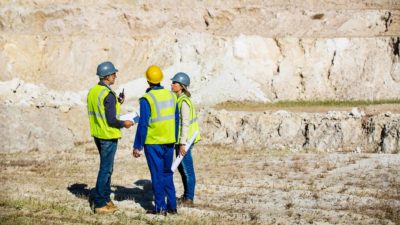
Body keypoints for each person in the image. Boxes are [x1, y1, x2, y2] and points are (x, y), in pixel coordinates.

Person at [87, 61, 134, 214]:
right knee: (106, 170)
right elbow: (112, 120)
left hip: (98, 134)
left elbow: (103, 109)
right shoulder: (108, 94)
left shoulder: (94, 91)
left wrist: (118, 102)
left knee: (107, 168)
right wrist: (125, 123)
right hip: (107, 136)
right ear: (107, 76)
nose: (115, 76)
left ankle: (106, 198)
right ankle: (100, 203)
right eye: (114, 73)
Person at [132, 65, 178, 215]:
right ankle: (172, 207)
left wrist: (137, 145)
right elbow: (176, 119)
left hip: (153, 142)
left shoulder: (147, 99)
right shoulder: (171, 95)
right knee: (167, 173)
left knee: (157, 175)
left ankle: (160, 208)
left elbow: (143, 124)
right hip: (169, 141)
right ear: (161, 79)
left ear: (148, 80)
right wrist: (176, 138)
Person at [170, 72, 201, 207]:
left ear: (181, 86)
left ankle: (189, 199)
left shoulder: (183, 102)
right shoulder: (178, 99)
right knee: (182, 169)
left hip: (186, 142)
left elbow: (185, 124)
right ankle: (186, 196)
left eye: (174, 83)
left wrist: (182, 143)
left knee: (187, 170)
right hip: (181, 141)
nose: (172, 85)